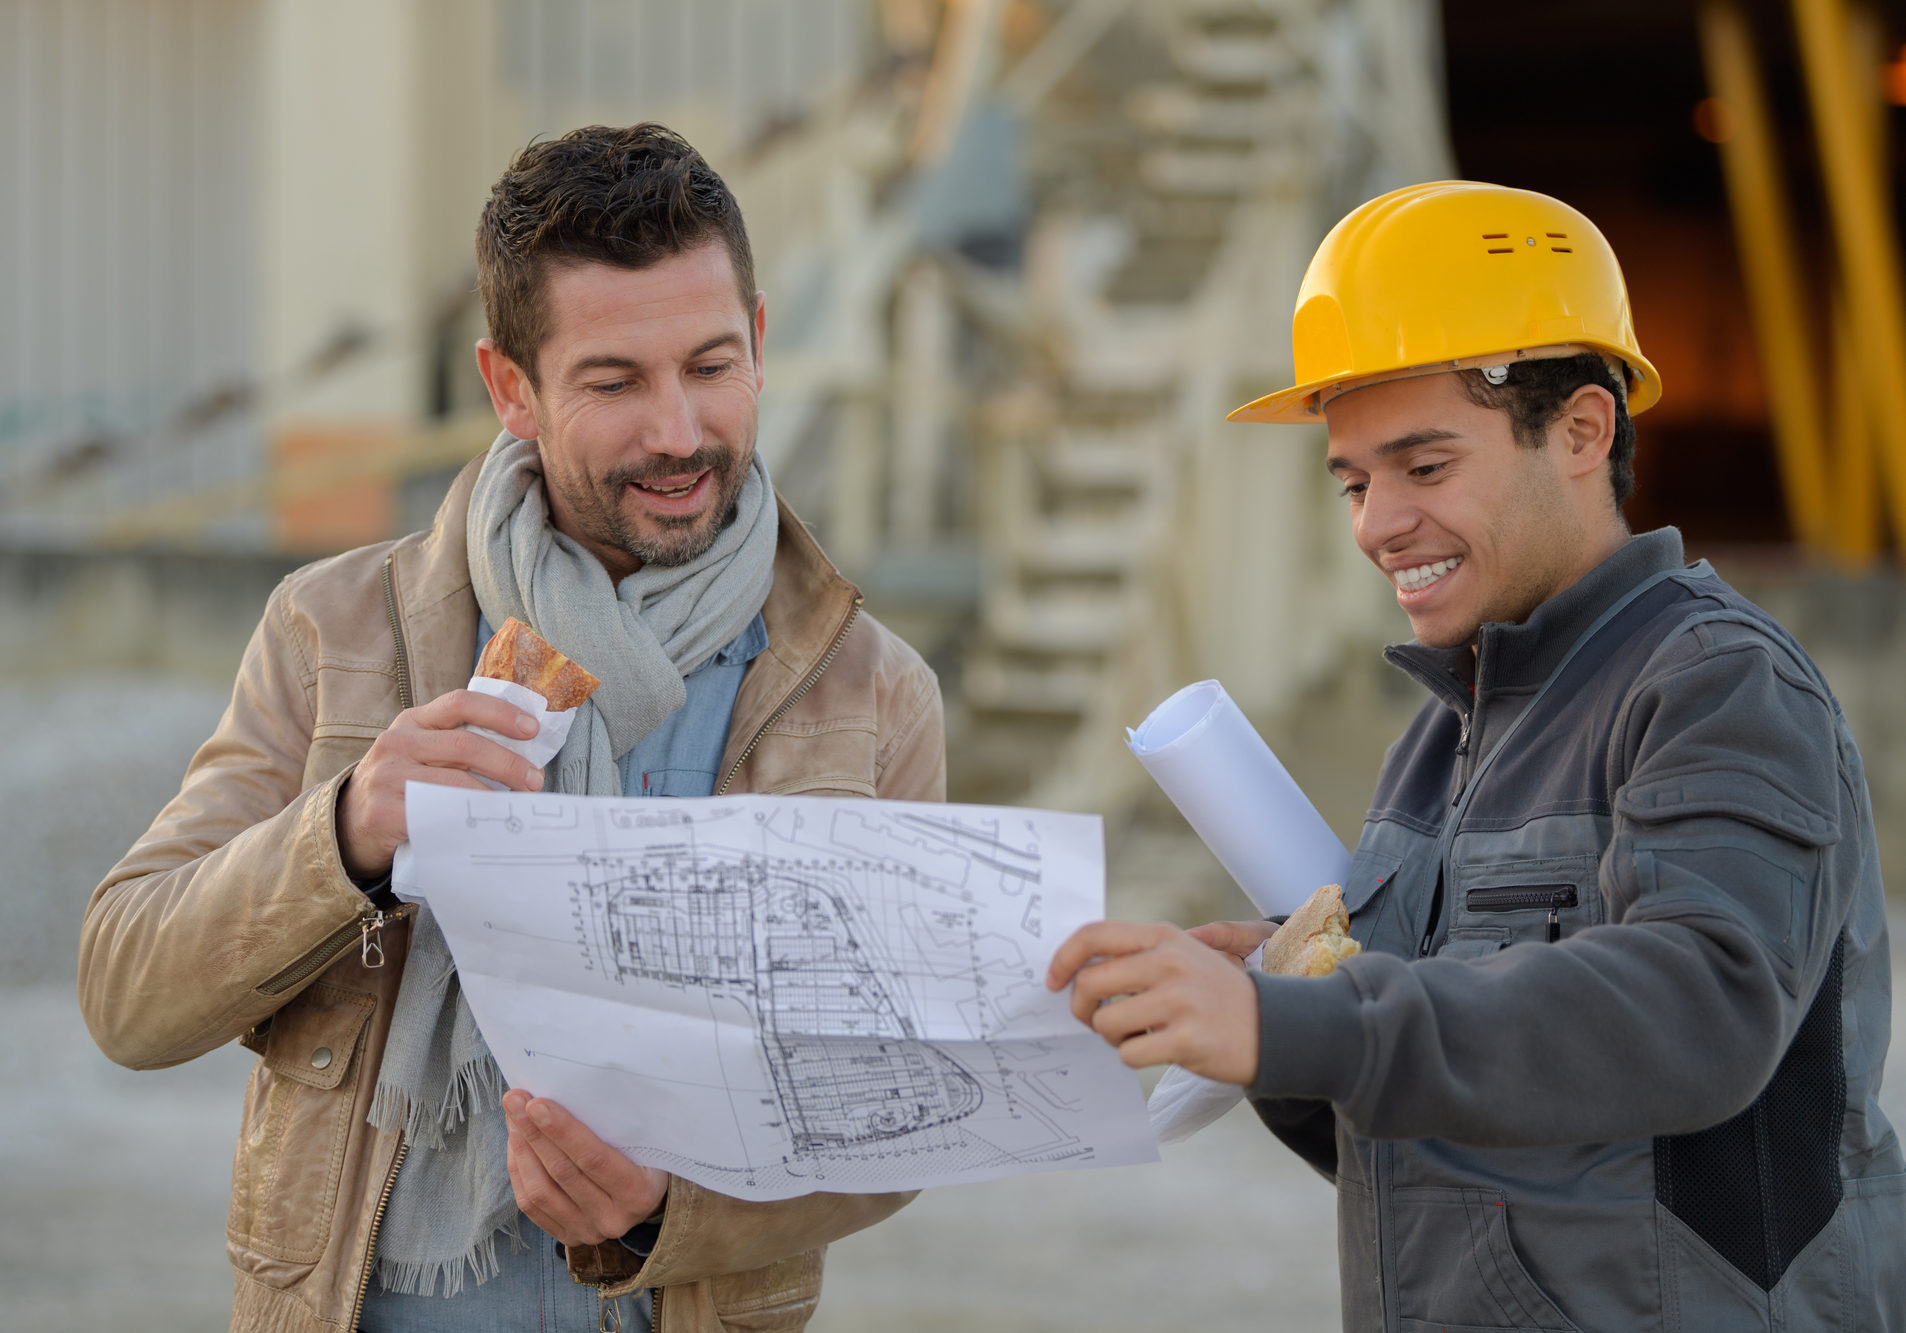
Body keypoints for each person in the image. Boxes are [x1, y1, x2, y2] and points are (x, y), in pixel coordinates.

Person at [78, 123, 945, 1333]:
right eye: (612, 381)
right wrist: (341, 837)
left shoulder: (870, 692)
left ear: (757, 340)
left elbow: (904, 1103)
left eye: (708, 365)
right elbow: (127, 992)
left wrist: (668, 1206)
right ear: (509, 389)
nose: (679, 433)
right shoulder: (333, 633)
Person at [1048, 181, 1902, 1330]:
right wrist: (1274, 1001)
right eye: (1354, 481)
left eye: (1425, 466)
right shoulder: (1441, 741)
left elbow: (1700, 1002)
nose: (1374, 523)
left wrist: (1308, 1023)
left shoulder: (1713, 685)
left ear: (1582, 431)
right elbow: (1428, 1135)